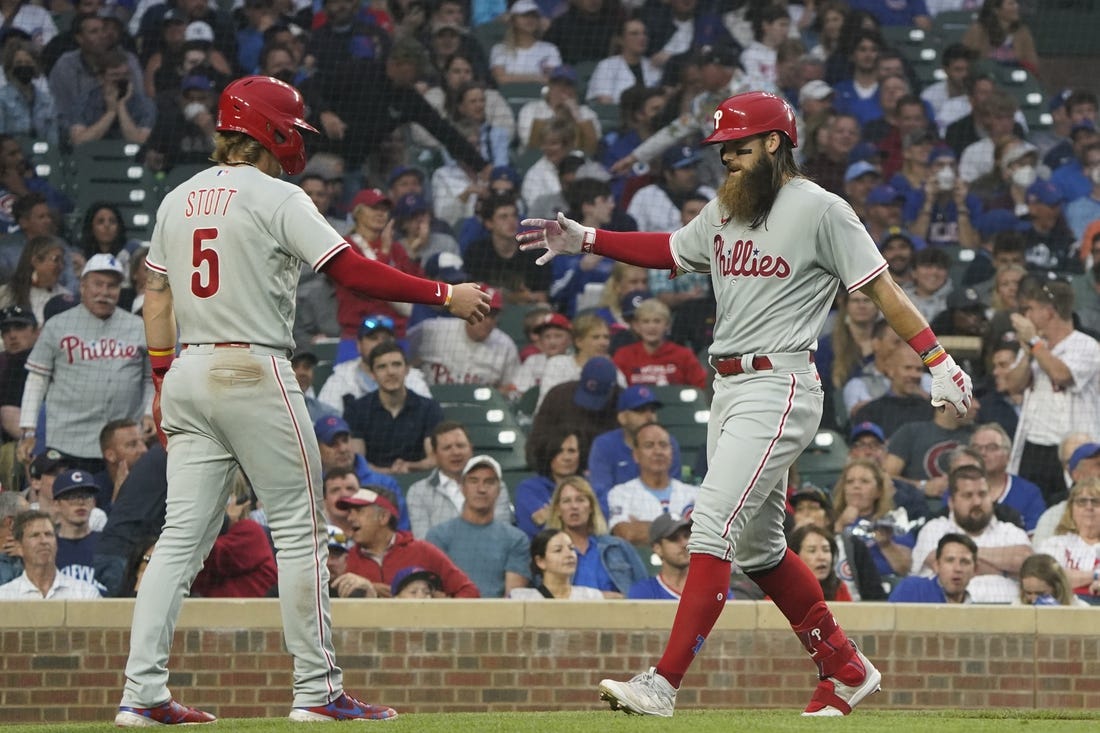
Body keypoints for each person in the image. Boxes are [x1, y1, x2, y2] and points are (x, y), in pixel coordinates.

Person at [518, 90, 973, 717]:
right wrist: (589, 239)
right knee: (760, 550)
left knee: (711, 524)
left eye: (737, 145)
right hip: (729, 387)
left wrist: (938, 360)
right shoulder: (728, 207)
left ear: (775, 142)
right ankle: (844, 666)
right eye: (722, 147)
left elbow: (882, 288)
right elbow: (671, 250)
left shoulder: (821, 208)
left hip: (779, 382)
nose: (726, 156)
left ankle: (663, 683)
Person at [115, 76, 490, 725]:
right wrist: (442, 294)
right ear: (270, 129)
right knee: (301, 532)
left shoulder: (177, 197)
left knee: (179, 541)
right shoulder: (277, 194)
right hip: (253, 366)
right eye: (292, 128)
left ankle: (141, 694)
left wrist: (160, 382)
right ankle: (317, 690)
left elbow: (155, 296)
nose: (299, 141)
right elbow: (351, 270)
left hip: (187, 371)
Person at [17, 254, 153, 473]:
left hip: (123, 443)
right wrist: (28, 430)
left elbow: (151, 379)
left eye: (112, 286)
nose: (104, 292)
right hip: (68, 441)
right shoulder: (57, 326)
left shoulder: (138, 327)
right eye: (98, 284)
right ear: (82, 286)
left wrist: (149, 413)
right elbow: (37, 380)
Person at [1006, 279, 1100, 506]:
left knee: (1074, 506)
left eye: (1030, 309)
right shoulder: (1035, 346)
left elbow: (1061, 375)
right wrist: (1027, 353)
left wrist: (1034, 343)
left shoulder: (1086, 345)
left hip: (1073, 448)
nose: (1026, 316)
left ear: (1049, 312)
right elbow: (1013, 385)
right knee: (1030, 507)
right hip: (1034, 445)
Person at [910, 465, 1031, 603]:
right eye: (968, 495)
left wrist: (967, 557)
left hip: (1008, 612)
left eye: (982, 494)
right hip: (949, 612)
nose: (977, 502)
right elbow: (941, 567)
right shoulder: (935, 529)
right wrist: (1005, 571)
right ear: (951, 502)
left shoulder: (1009, 531)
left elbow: (1027, 563)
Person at [338, 486, 479, 599]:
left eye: (359, 511)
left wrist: (438, 609)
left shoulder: (423, 551)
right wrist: (370, 589)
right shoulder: (347, 559)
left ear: (383, 517)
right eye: (350, 512)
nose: (350, 518)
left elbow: (469, 592)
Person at [425, 454, 531, 598]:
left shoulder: (516, 539)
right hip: (452, 611)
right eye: (473, 481)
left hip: (498, 612)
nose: (481, 489)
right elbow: (435, 592)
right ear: (462, 488)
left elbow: (513, 597)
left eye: (489, 482)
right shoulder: (438, 535)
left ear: (499, 490)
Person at [344, 342, 444, 474]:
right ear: (372, 374)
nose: (390, 372)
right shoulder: (356, 410)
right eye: (382, 367)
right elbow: (358, 463)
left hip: (419, 479)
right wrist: (388, 472)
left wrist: (409, 466)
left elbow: (434, 458)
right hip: (372, 482)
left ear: (407, 369)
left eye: (396, 364)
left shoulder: (429, 408)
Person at [405, 421, 512, 539]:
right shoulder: (419, 492)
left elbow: (501, 534)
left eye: (460, 446)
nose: (455, 453)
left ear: (471, 449)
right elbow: (423, 540)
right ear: (435, 454)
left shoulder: (495, 486)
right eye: (447, 448)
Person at [587, 385, 684, 514]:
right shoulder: (604, 445)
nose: (649, 417)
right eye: (640, 410)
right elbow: (601, 495)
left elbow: (674, 490)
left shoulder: (667, 443)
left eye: (652, 410)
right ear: (622, 417)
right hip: (617, 516)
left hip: (663, 516)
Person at [546, 475, 647, 597]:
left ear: (591, 508)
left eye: (580, 500)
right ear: (558, 509)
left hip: (617, 609)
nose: (574, 506)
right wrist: (599, 597)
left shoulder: (618, 547)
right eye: (567, 501)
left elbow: (644, 592)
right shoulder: (548, 551)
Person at [407, 287, 520, 392]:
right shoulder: (432, 330)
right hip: (430, 402)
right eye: (482, 313)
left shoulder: (506, 346)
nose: (488, 321)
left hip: (476, 406)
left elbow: (512, 388)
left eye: (493, 316)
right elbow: (403, 354)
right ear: (469, 309)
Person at [606, 422, 698, 546]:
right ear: (636, 455)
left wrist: (641, 526)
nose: (658, 451)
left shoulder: (695, 494)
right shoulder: (620, 493)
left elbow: (704, 536)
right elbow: (626, 534)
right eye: (649, 445)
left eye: (663, 445)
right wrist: (684, 528)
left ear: (671, 452)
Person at [0, 510, 101, 600]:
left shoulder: (85, 594)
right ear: (19, 547)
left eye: (48, 534)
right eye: (35, 535)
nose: (44, 541)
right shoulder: (5, 596)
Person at [612, 298, 708, 388]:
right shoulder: (623, 356)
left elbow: (703, 387)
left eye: (657, 321)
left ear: (667, 325)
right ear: (636, 326)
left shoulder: (684, 356)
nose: (652, 327)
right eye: (646, 321)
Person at [1033, 478, 1100, 597]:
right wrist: (1095, 575)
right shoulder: (1055, 544)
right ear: (1071, 509)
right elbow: (1047, 578)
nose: (1089, 507)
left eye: (1096, 502)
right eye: (1082, 502)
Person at [508, 527, 604, 600]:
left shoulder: (591, 597)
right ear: (540, 561)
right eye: (558, 550)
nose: (569, 555)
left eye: (571, 548)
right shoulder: (522, 598)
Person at [888, 533, 978, 603]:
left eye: (965, 562)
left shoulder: (978, 612)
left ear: (974, 570)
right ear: (937, 566)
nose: (957, 568)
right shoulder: (911, 590)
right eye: (950, 560)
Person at [787, 524, 851, 602]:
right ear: (795, 555)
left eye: (826, 550)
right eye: (812, 551)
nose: (821, 557)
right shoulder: (783, 589)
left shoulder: (839, 588)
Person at [1017, 552, 1093, 607]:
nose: (1033, 600)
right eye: (1028, 593)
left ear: (1057, 588)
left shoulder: (1081, 609)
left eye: (1041, 594)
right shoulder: (1016, 607)